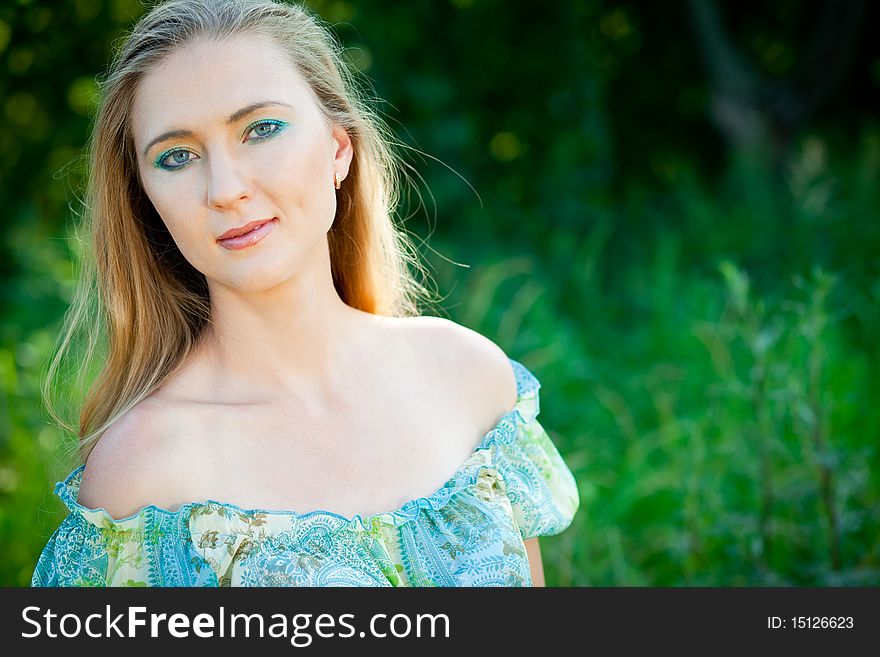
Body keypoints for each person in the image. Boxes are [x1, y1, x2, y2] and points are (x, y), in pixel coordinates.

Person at [31, 0, 579, 587]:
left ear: (339, 149)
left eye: (261, 129)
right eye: (177, 156)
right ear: (147, 200)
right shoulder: (143, 474)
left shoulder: (471, 379)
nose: (226, 189)